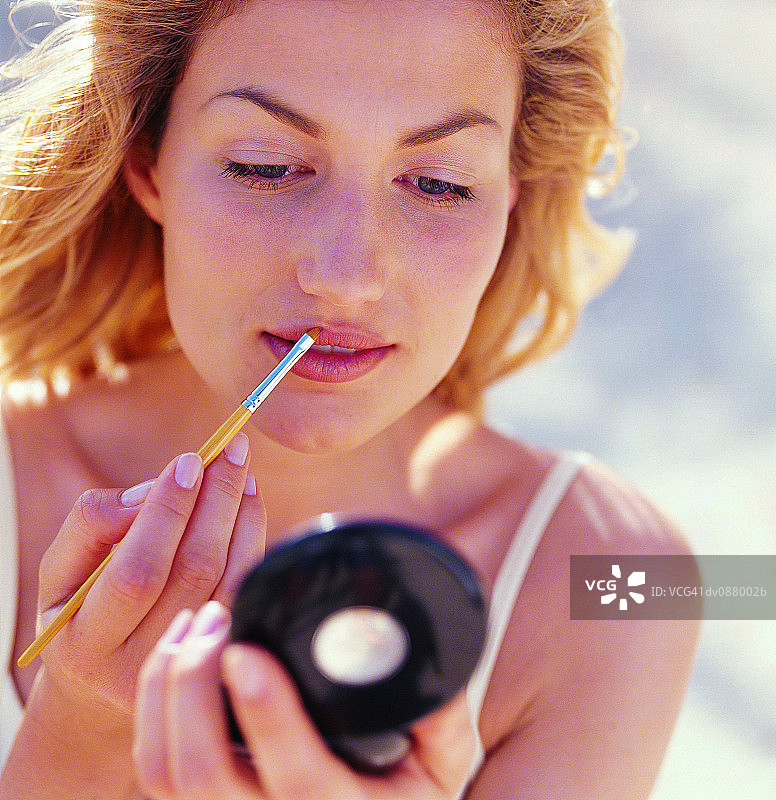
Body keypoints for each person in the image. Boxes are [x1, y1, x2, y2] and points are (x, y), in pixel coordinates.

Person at [0, 1, 700, 797]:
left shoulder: (622, 575)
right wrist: (78, 736)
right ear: (147, 164)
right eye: (264, 165)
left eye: (437, 183)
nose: (345, 276)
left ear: (509, 195)